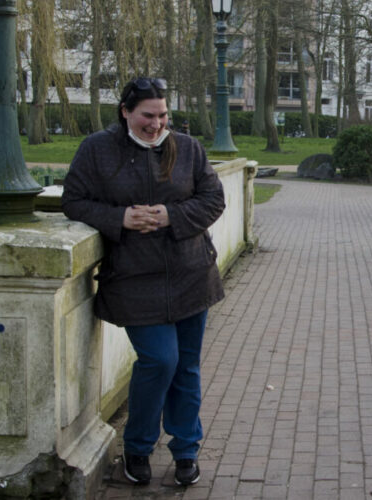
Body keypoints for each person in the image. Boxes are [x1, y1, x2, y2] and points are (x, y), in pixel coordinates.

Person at [61, 77, 225, 487]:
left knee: (186, 367)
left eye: (163, 115)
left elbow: (212, 199)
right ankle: (137, 446)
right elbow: (74, 201)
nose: (157, 124)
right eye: (147, 116)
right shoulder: (97, 149)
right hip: (133, 278)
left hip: (190, 275)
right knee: (159, 359)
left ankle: (186, 449)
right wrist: (120, 219)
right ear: (125, 112)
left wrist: (170, 216)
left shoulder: (188, 148)